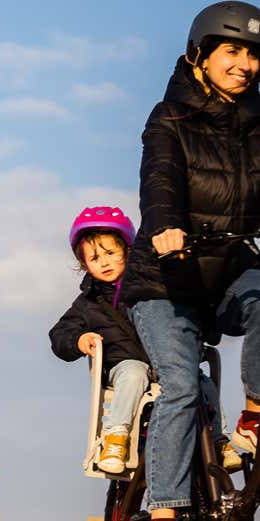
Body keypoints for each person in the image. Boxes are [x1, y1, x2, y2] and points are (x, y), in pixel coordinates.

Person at [120, 3, 260, 519]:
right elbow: (160, 180)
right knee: (180, 383)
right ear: (199, 56)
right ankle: (166, 506)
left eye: (253, 55)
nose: (245, 64)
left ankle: (254, 418)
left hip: (227, 268)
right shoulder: (168, 118)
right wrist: (163, 227)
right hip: (166, 277)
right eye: (232, 50)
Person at [50, 207, 151, 474]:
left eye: (110, 253)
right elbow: (59, 334)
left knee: (199, 380)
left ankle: (218, 438)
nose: (104, 262)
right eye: (94, 258)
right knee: (134, 371)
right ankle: (115, 436)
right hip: (121, 366)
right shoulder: (88, 302)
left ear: (127, 251)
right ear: (85, 264)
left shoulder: (149, 287)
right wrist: (79, 339)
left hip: (163, 363)